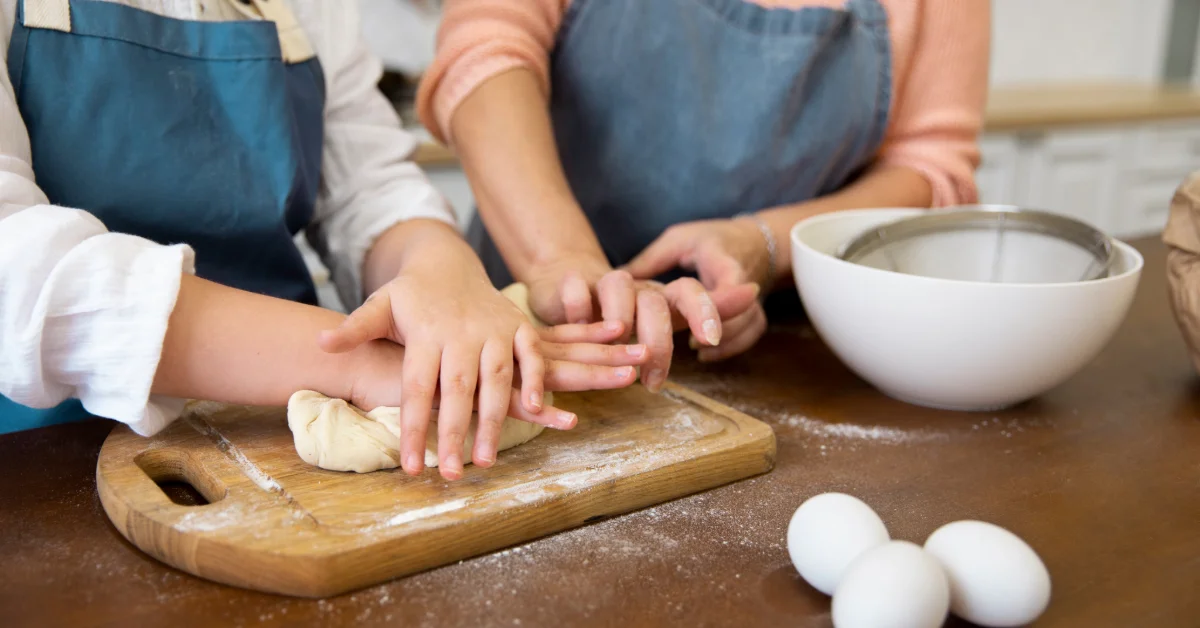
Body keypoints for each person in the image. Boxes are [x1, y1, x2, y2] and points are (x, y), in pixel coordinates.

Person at [0, 0, 649, 481]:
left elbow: (367, 188)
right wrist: (356, 365)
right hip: (48, 457)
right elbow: (16, 269)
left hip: (277, 447)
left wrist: (441, 267)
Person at [417, 0, 990, 384]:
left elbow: (931, 170)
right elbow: (485, 54)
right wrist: (562, 261)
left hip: (767, 360)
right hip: (526, 335)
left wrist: (762, 245)